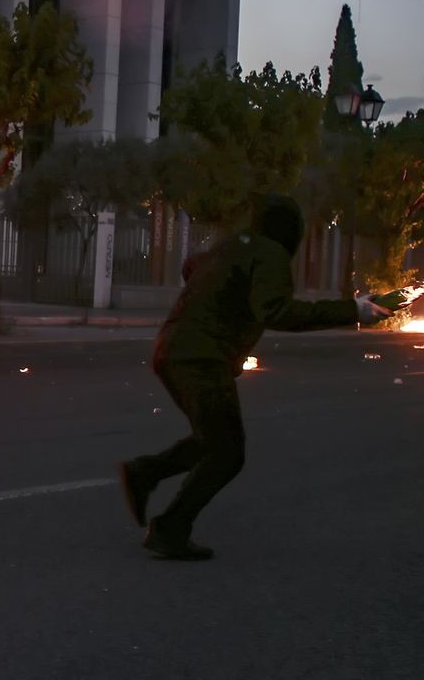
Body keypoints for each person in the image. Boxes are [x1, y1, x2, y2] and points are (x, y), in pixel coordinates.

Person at [118, 193, 389, 561]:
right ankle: (169, 528)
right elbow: (277, 311)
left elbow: (190, 266)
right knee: (228, 452)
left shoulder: (231, 247)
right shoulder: (270, 254)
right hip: (202, 357)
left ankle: (144, 474)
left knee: (212, 437)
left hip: (171, 350)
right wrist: (351, 312)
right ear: (289, 230)